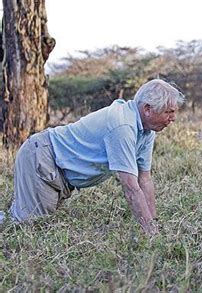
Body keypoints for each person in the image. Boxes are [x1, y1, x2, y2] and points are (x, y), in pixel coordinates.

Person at [0, 79, 185, 235]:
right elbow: (130, 187)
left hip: (59, 171)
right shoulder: (122, 126)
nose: (173, 118)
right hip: (43, 157)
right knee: (28, 226)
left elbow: (144, 179)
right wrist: (149, 233)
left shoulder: (146, 131)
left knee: (38, 222)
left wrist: (154, 226)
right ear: (147, 109)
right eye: (169, 112)